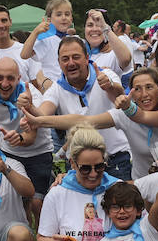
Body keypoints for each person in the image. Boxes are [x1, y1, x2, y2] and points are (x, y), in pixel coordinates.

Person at [26, 36, 133, 181]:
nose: (71, 63)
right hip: (79, 165)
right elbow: (42, 114)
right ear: (58, 62)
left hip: (115, 159)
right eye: (65, 59)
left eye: (76, 57)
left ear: (87, 57)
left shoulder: (105, 75)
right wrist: (30, 107)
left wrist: (110, 86)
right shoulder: (57, 88)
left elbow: (120, 97)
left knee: (121, 203)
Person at [0, 57, 52, 202]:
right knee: (17, 201)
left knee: (36, 202)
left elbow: (31, 138)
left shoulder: (30, 95)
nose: (4, 84)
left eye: (10, 78)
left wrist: (20, 138)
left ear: (19, 78)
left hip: (38, 153)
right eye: (0, 78)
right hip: (9, 152)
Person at [0, 5, 47, 87]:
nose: (1, 25)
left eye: (4, 20)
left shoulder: (26, 51)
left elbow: (38, 86)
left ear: (10, 22)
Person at [21, 0, 78, 79]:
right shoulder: (46, 40)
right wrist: (35, 32)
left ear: (71, 19)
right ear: (49, 20)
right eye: (59, 14)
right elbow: (24, 55)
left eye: (67, 14)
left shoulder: (76, 40)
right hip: (52, 86)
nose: (64, 17)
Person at [82, 9, 132, 83]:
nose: (94, 29)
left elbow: (126, 59)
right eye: (90, 25)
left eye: (99, 25)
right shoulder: (80, 54)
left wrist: (105, 27)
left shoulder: (112, 55)